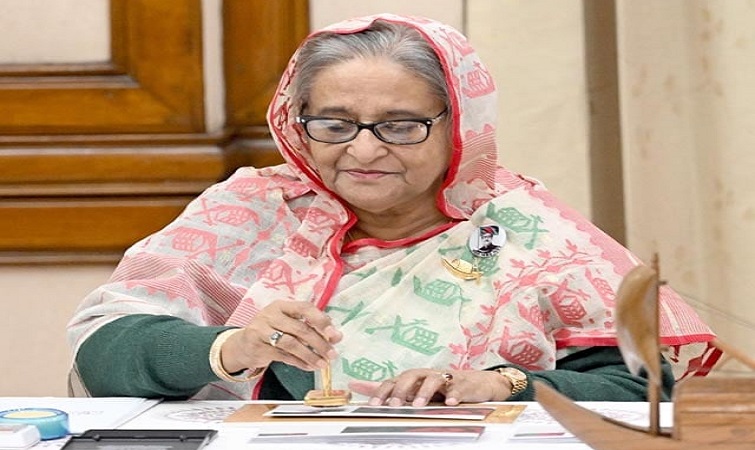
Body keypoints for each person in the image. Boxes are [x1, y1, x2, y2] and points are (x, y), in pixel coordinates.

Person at [67, 14, 720, 405]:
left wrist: (503, 385)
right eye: (334, 124)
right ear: (298, 123)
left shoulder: (523, 228)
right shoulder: (253, 209)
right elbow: (106, 356)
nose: (363, 151)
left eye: (400, 125)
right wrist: (231, 346)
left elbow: (640, 385)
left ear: (458, 126)